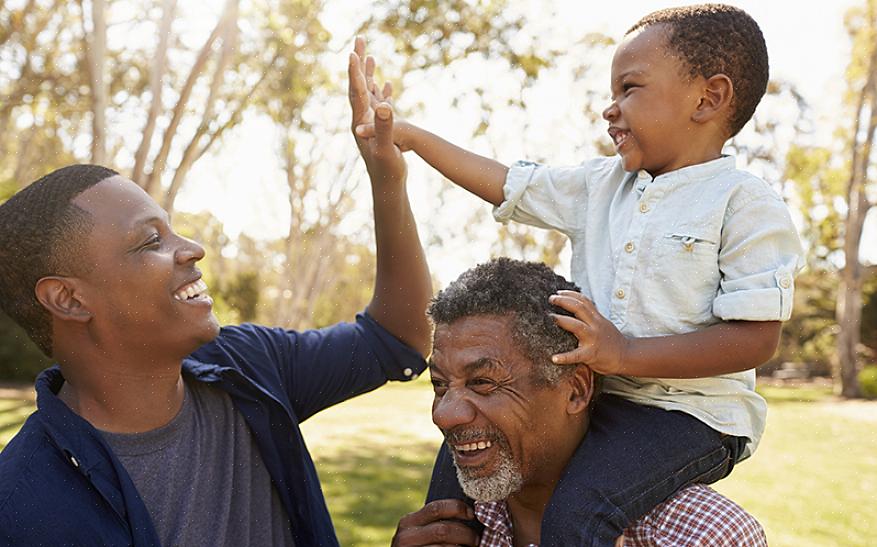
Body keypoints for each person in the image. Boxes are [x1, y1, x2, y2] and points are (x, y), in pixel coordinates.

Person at [353, 4, 804, 545]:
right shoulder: (599, 186)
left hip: (687, 418)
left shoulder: (745, 204)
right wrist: (409, 137)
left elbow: (756, 338)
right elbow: (508, 185)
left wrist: (625, 354)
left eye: (629, 89)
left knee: (578, 512)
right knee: (452, 478)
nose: (609, 110)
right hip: (601, 398)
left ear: (708, 98)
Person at [0, 46, 426, 546]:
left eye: (173, 230)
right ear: (69, 300)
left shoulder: (248, 365)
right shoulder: (22, 507)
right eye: (151, 241)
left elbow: (396, 338)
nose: (193, 249)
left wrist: (386, 180)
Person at [391, 258, 767, 547]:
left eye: (483, 383)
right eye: (440, 385)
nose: (445, 415)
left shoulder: (702, 536)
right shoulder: (444, 528)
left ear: (576, 390)